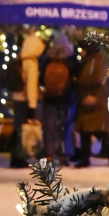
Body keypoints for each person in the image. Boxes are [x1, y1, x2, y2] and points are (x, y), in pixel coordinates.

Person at [74, 38, 109, 167]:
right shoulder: (91, 60)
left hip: (95, 101)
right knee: (86, 131)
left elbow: (96, 79)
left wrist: (81, 83)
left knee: (98, 131)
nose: (81, 52)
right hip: (89, 101)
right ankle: (85, 159)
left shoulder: (96, 61)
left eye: (83, 49)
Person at [9, 32, 46, 168]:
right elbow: (31, 85)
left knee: (17, 127)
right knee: (23, 129)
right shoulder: (31, 62)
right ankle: (19, 156)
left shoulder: (20, 58)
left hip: (17, 97)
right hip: (25, 99)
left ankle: (15, 156)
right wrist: (32, 104)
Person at [41, 31, 78, 165]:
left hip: (50, 99)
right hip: (66, 99)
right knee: (65, 127)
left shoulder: (48, 59)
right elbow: (77, 79)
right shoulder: (71, 60)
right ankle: (64, 154)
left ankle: (49, 154)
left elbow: (41, 79)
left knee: (50, 127)